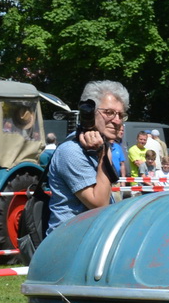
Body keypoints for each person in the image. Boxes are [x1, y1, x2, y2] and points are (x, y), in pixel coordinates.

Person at [46, 80, 129, 234]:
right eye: (109, 112)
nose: (117, 121)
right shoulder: (71, 151)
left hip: (91, 238)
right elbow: (100, 205)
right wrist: (104, 154)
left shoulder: (99, 147)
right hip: (68, 241)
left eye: (121, 115)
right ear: (89, 113)